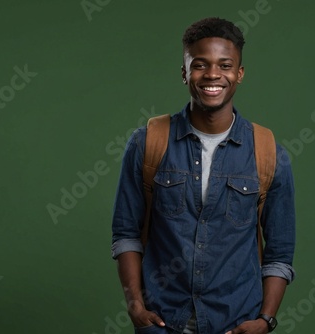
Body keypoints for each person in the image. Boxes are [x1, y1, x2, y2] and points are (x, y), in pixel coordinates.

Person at [111, 17, 296, 334]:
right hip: (162, 322)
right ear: (184, 72)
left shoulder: (269, 154)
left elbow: (279, 252)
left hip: (237, 323)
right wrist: (136, 308)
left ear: (239, 73)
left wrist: (265, 321)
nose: (212, 74)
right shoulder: (148, 142)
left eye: (225, 65)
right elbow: (126, 233)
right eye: (200, 64)